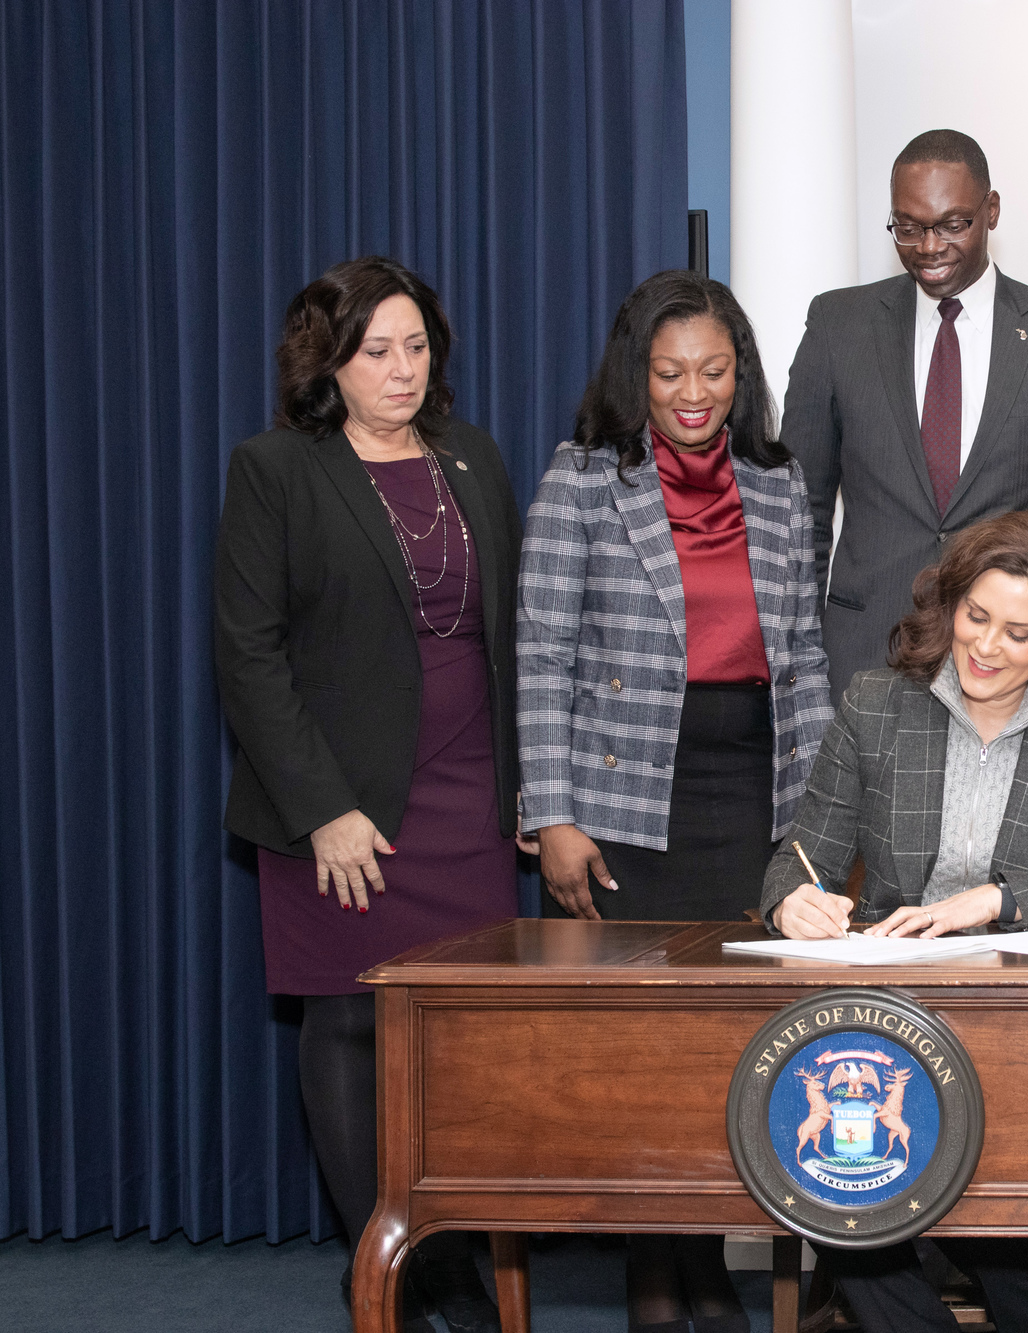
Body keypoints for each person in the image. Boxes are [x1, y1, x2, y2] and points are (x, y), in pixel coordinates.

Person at [762, 510, 1028, 1333]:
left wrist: (1003, 899)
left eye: (1019, 632)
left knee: (983, 1146)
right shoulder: (878, 704)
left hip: (1017, 1021)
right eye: (975, 617)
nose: (986, 647)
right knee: (824, 1152)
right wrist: (789, 900)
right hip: (886, 1008)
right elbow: (795, 856)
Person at [516, 268, 832, 1333]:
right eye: (668, 371)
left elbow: (807, 659)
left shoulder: (780, 484)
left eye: (712, 368)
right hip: (625, 802)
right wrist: (552, 816)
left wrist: (820, 818)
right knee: (649, 1049)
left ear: (739, 373)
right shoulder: (581, 480)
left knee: (737, 1042)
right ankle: (658, 1275)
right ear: (635, 377)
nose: (692, 390)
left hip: (753, 793)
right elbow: (542, 655)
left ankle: (708, 1269)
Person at [214, 256, 517, 1333]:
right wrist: (323, 809)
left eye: (416, 346)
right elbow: (247, 655)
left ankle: (449, 1261)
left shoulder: (472, 459)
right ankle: (393, 1272)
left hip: (468, 798)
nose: (400, 370)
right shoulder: (276, 469)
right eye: (374, 350)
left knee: (457, 1041)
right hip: (338, 812)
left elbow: (504, 637)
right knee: (347, 1026)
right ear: (328, 362)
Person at [784, 129, 1028, 696]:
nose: (929, 246)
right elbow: (801, 514)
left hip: (1010, 667)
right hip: (864, 656)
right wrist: (800, 658)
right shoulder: (838, 326)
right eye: (907, 228)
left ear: (990, 211)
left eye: (951, 225)